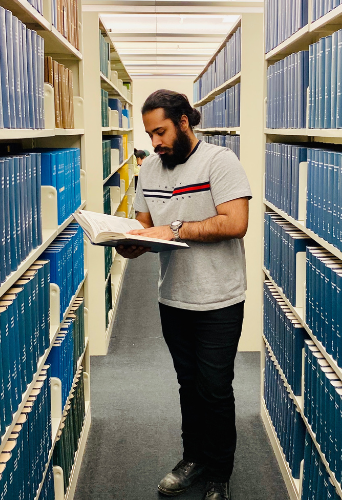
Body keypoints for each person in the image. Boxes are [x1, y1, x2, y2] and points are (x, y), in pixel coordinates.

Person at [116, 90, 251, 500]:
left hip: (218, 299)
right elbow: (143, 224)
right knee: (188, 385)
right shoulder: (150, 170)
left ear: (184, 123)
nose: (155, 142)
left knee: (214, 387)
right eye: (149, 134)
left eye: (160, 132)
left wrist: (174, 229)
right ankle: (193, 457)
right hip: (172, 297)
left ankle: (219, 472)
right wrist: (126, 242)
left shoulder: (220, 162)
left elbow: (236, 223)